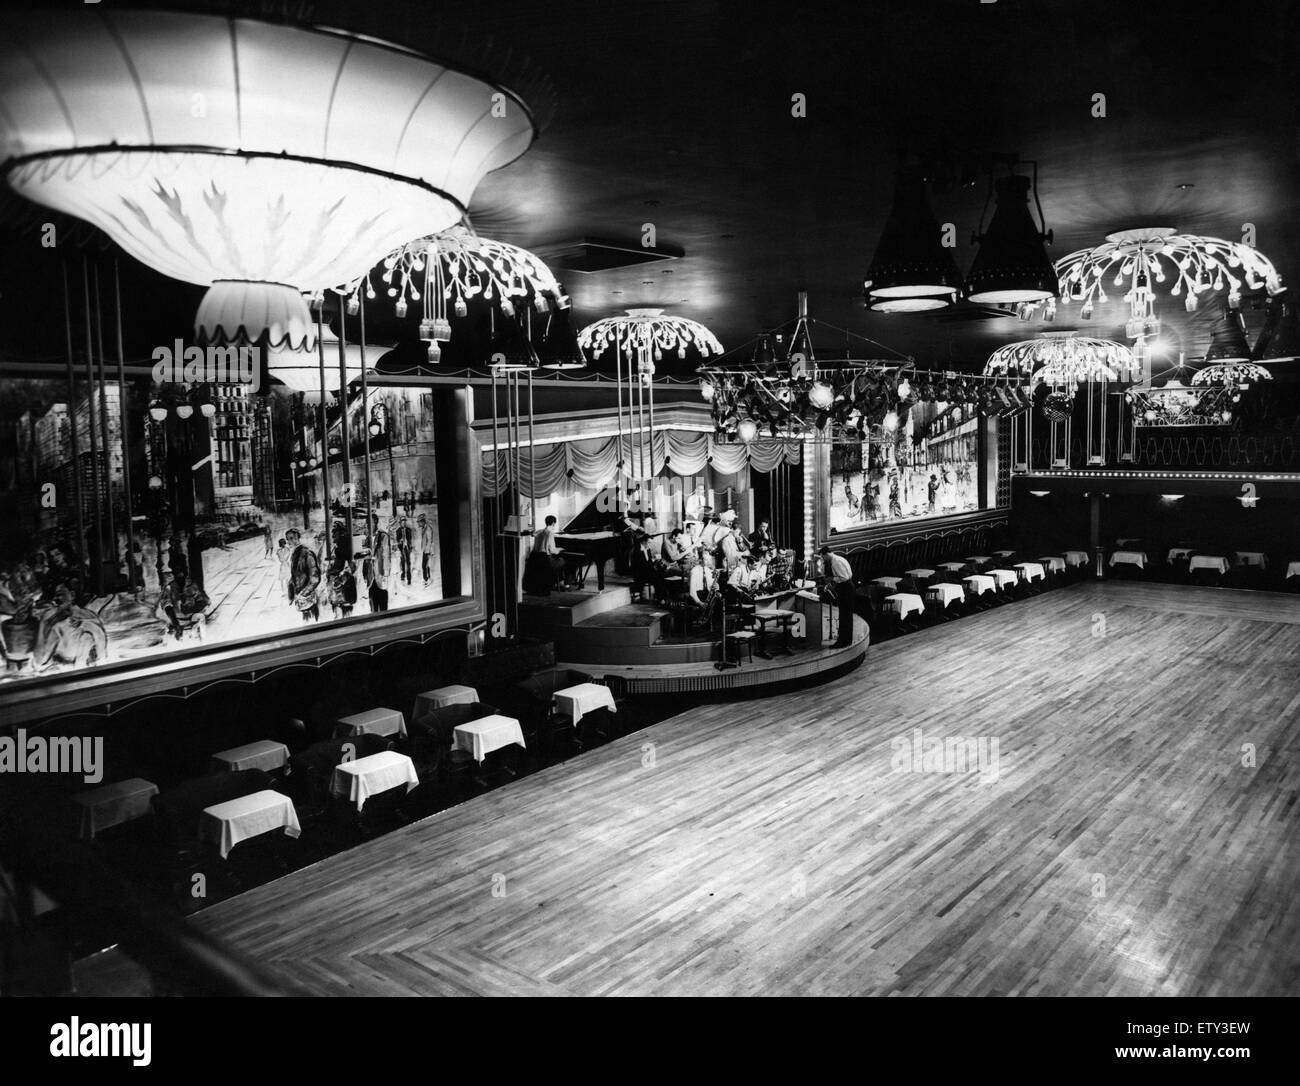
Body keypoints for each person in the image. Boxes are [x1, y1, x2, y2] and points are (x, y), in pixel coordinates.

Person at [819, 544, 856, 648]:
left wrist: (831, 579)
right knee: (846, 615)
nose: (823, 559)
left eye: (822, 557)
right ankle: (846, 640)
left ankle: (842, 641)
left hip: (845, 588)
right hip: (848, 587)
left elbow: (843, 577)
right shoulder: (839, 558)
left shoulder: (836, 562)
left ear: (826, 554)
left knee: (844, 616)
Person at [285, 527, 321, 622]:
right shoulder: (295, 554)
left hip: (307, 598)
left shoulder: (307, 553)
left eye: (291, 538)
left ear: (298, 538)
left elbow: (315, 578)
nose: (289, 541)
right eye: (288, 539)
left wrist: (304, 594)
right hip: (300, 597)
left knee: (311, 622)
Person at [360, 514, 392, 612]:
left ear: (376, 523)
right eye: (366, 524)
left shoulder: (383, 536)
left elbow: (386, 555)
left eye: (370, 523)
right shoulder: (367, 538)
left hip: (380, 575)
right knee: (373, 605)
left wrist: (386, 574)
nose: (368, 526)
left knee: (382, 605)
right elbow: (365, 557)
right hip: (371, 576)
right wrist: (365, 574)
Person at [418, 512, 436, 588]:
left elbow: (429, 541)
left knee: (424, 566)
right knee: (426, 565)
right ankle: (428, 578)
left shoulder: (428, 529)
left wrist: (427, 551)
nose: (418, 524)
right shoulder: (424, 528)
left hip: (427, 550)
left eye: (419, 522)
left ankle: (426, 580)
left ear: (422, 522)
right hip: (425, 550)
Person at [395, 515, 414, 585]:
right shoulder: (398, 531)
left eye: (404, 522)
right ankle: (403, 576)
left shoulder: (409, 530)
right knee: (402, 562)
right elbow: (397, 540)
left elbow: (410, 540)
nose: (404, 523)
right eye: (402, 522)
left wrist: (410, 547)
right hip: (401, 548)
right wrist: (400, 541)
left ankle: (409, 579)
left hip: (407, 548)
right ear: (400, 523)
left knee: (408, 563)